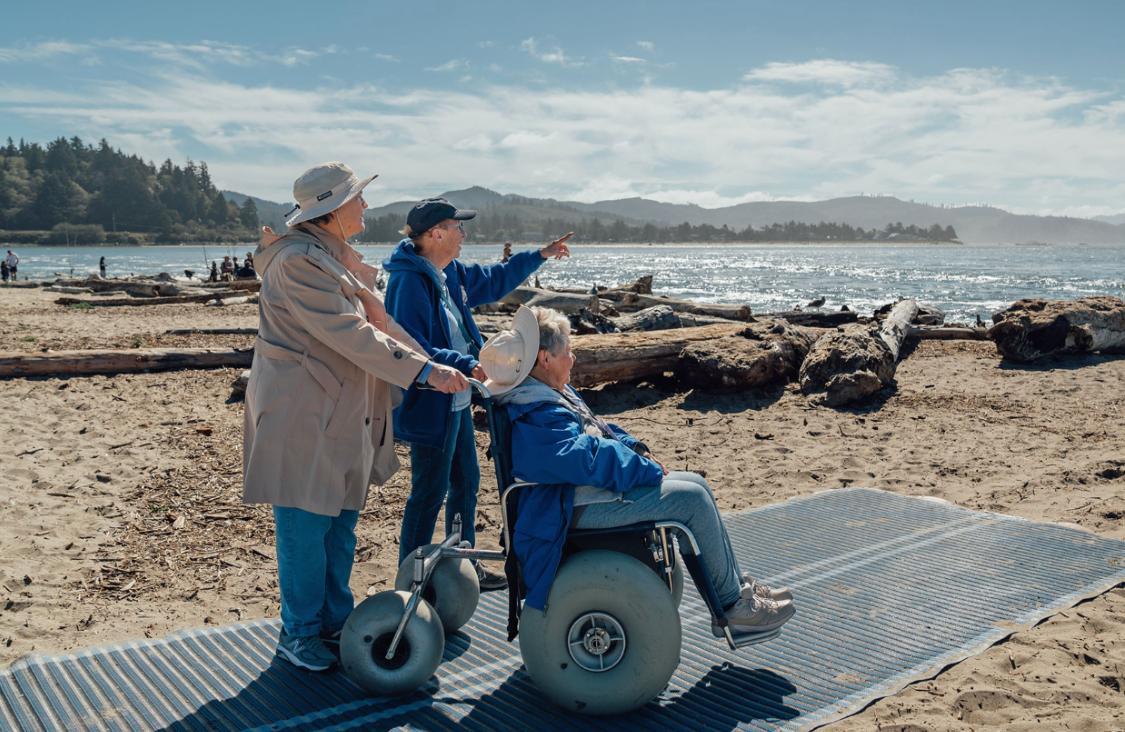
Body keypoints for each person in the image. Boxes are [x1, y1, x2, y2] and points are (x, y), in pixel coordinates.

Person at [243, 162, 471, 673]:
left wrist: (435, 365)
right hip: (303, 419)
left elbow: (382, 324)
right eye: (357, 198)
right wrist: (424, 373)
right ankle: (299, 633)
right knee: (305, 527)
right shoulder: (299, 264)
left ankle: (332, 621)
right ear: (329, 212)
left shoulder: (330, 258)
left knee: (339, 523)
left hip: (337, 416)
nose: (365, 206)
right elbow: (355, 334)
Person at [481, 306, 796, 636]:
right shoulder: (536, 410)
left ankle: (735, 588)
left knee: (696, 484)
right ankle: (733, 607)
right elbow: (579, 457)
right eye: (568, 353)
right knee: (691, 501)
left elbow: (598, 429)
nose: (573, 360)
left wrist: (635, 447)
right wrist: (642, 469)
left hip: (572, 495)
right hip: (561, 508)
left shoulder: (548, 394)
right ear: (544, 359)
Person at [383, 197, 572, 590]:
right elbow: (412, 344)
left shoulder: (446, 270)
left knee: (467, 482)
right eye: (458, 227)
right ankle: (409, 577)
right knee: (429, 491)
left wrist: (538, 255)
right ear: (437, 234)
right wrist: (466, 363)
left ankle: (463, 567)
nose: (463, 234)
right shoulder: (408, 281)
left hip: (457, 398)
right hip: (431, 403)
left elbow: (494, 278)